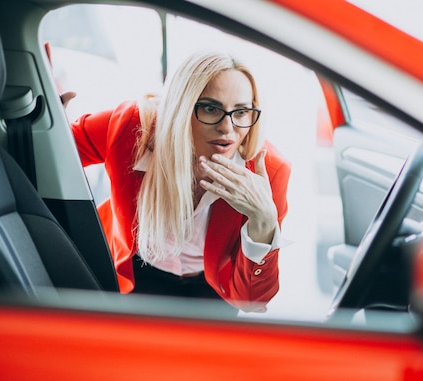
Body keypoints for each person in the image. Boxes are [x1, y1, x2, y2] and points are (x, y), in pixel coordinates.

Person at [69, 52, 291, 313]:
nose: (227, 128)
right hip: (133, 269)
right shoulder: (130, 127)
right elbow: (49, 152)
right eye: (210, 108)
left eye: (241, 111)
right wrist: (40, 122)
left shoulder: (268, 171)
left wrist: (263, 220)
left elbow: (253, 300)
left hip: (213, 284)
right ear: (180, 106)